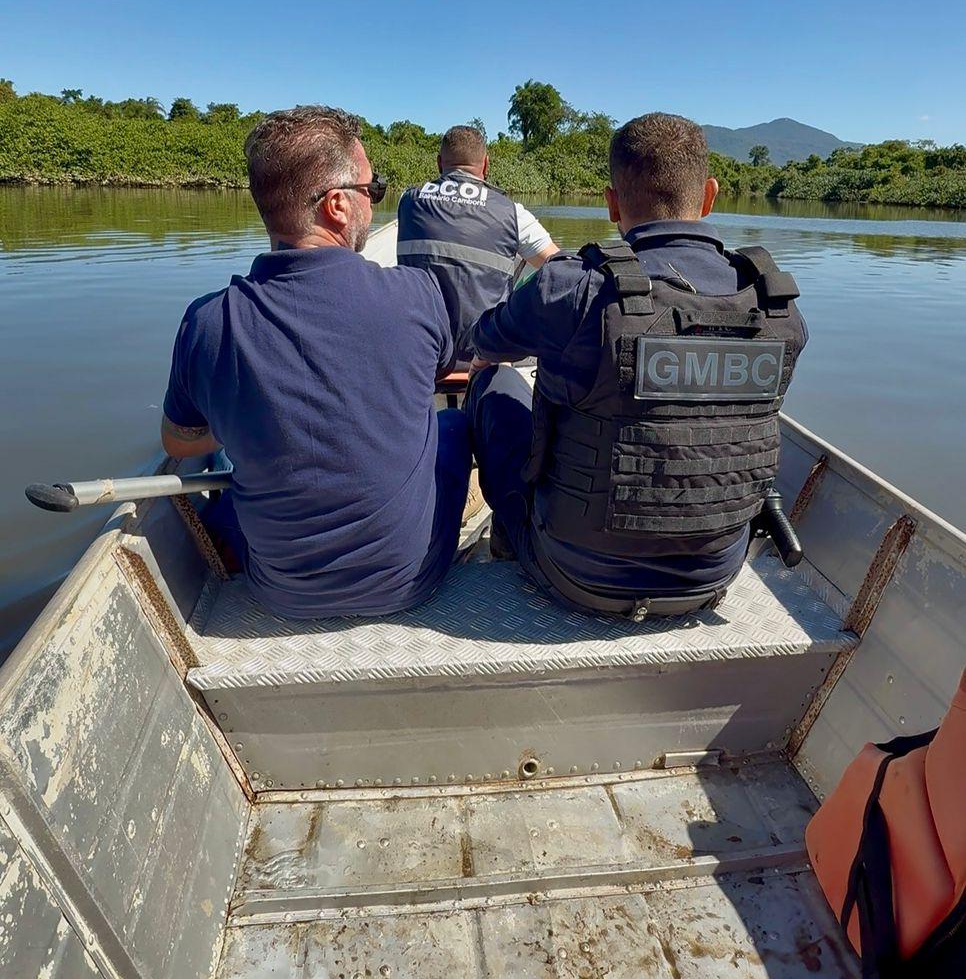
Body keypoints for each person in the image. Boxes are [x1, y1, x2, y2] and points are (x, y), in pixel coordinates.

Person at [465, 112, 808, 618]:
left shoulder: (572, 286)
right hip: (716, 575)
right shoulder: (779, 307)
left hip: (574, 572)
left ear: (610, 203)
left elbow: (487, 339)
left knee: (492, 385)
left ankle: (509, 543)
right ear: (709, 195)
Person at [160, 105, 471, 619]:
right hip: (409, 585)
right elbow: (434, 375)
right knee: (455, 423)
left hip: (280, 593)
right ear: (338, 206)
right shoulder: (416, 294)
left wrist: (247, 418)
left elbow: (176, 442)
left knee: (220, 462)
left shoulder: (208, 322)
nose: (375, 205)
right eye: (373, 191)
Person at [396, 124, 559, 369]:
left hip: (419, 355)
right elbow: (559, 272)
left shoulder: (407, 202)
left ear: (440, 163)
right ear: (485, 164)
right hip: (484, 357)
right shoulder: (513, 213)